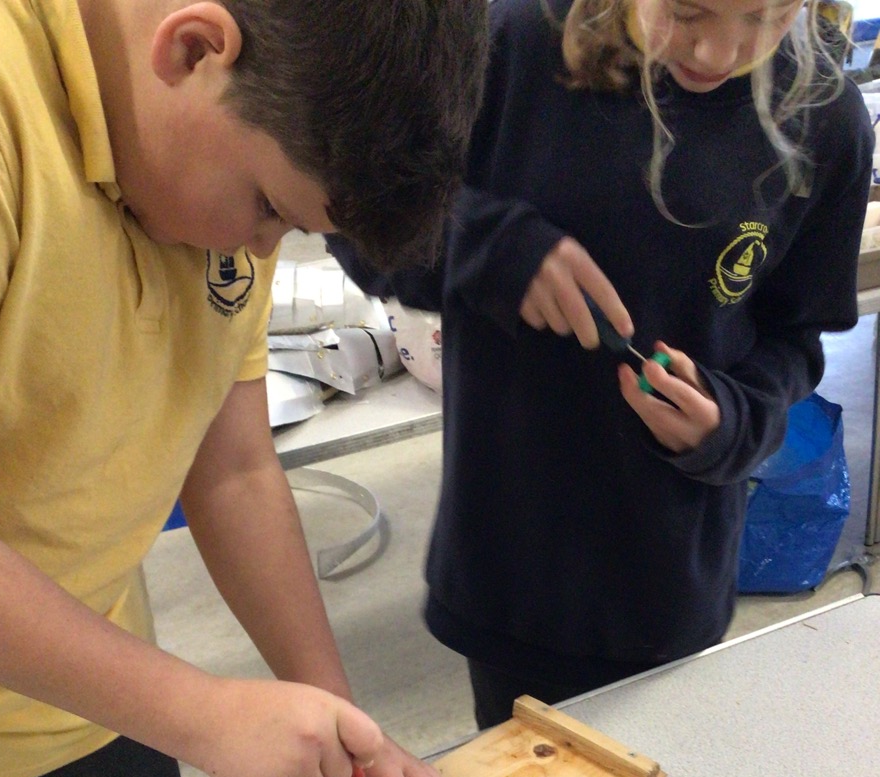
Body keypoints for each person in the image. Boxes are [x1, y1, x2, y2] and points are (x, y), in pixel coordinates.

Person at [0, 0, 489, 777]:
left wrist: (338, 721)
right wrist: (203, 712)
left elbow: (232, 468)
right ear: (193, 50)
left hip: (101, 693)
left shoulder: (240, 127)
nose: (261, 250)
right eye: (269, 210)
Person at [330, 0, 873, 729]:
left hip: (667, 580)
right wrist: (488, 248)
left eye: (764, 17)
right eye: (688, 12)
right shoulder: (515, 45)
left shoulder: (825, 121)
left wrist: (732, 420)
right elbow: (351, 216)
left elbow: (795, 338)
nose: (718, 52)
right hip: (515, 567)